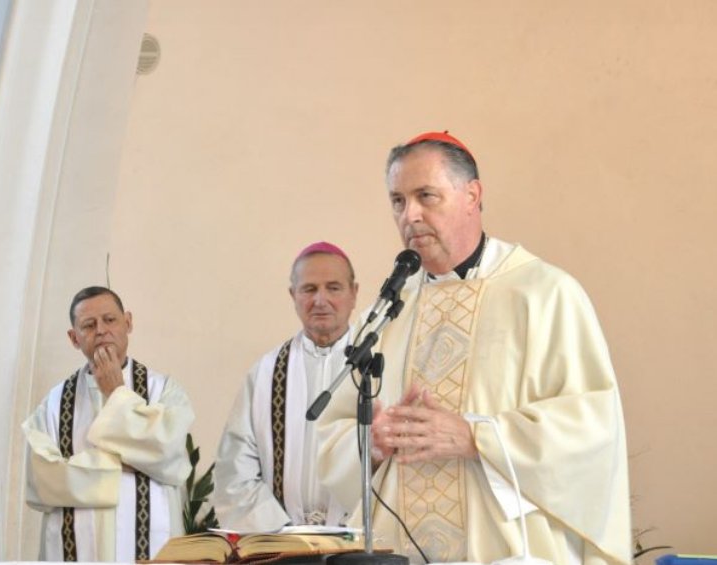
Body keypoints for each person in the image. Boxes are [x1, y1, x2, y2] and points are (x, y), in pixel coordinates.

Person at [317, 132, 632, 564]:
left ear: (472, 195)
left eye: (426, 196)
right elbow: (333, 431)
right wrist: (372, 441)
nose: (410, 215)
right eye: (397, 201)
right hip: (400, 545)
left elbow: (592, 428)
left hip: (504, 544)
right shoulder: (388, 311)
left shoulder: (543, 293)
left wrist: (475, 436)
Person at [23, 286, 194, 562]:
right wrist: (127, 462)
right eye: (89, 325)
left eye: (110, 320)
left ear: (128, 323)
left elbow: (170, 457)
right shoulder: (53, 404)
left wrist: (116, 392)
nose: (101, 330)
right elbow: (41, 482)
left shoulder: (163, 391)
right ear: (74, 338)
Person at [213, 242, 359, 532]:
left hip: (360, 541)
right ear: (292, 295)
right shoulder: (266, 373)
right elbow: (235, 471)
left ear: (354, 293)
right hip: (284, 544)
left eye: (333, 288)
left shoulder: (378, 365)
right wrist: (283, 531)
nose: (320, 300)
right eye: (309, 289)